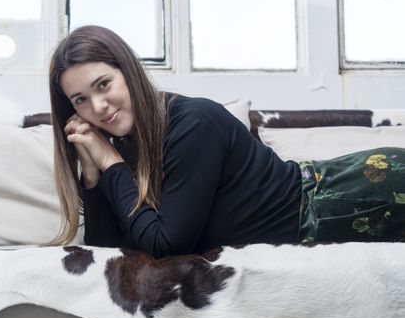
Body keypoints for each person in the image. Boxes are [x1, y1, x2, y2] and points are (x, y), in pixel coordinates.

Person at [48, 25, 405, 258]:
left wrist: (111, 163)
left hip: (364, 191)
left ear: (129, 71)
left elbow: (166, 244)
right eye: (80, 100)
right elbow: (107, 252)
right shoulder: (123, 146)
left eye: (103, 84)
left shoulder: (192, 124)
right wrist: (94, 176)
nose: (98, 107)